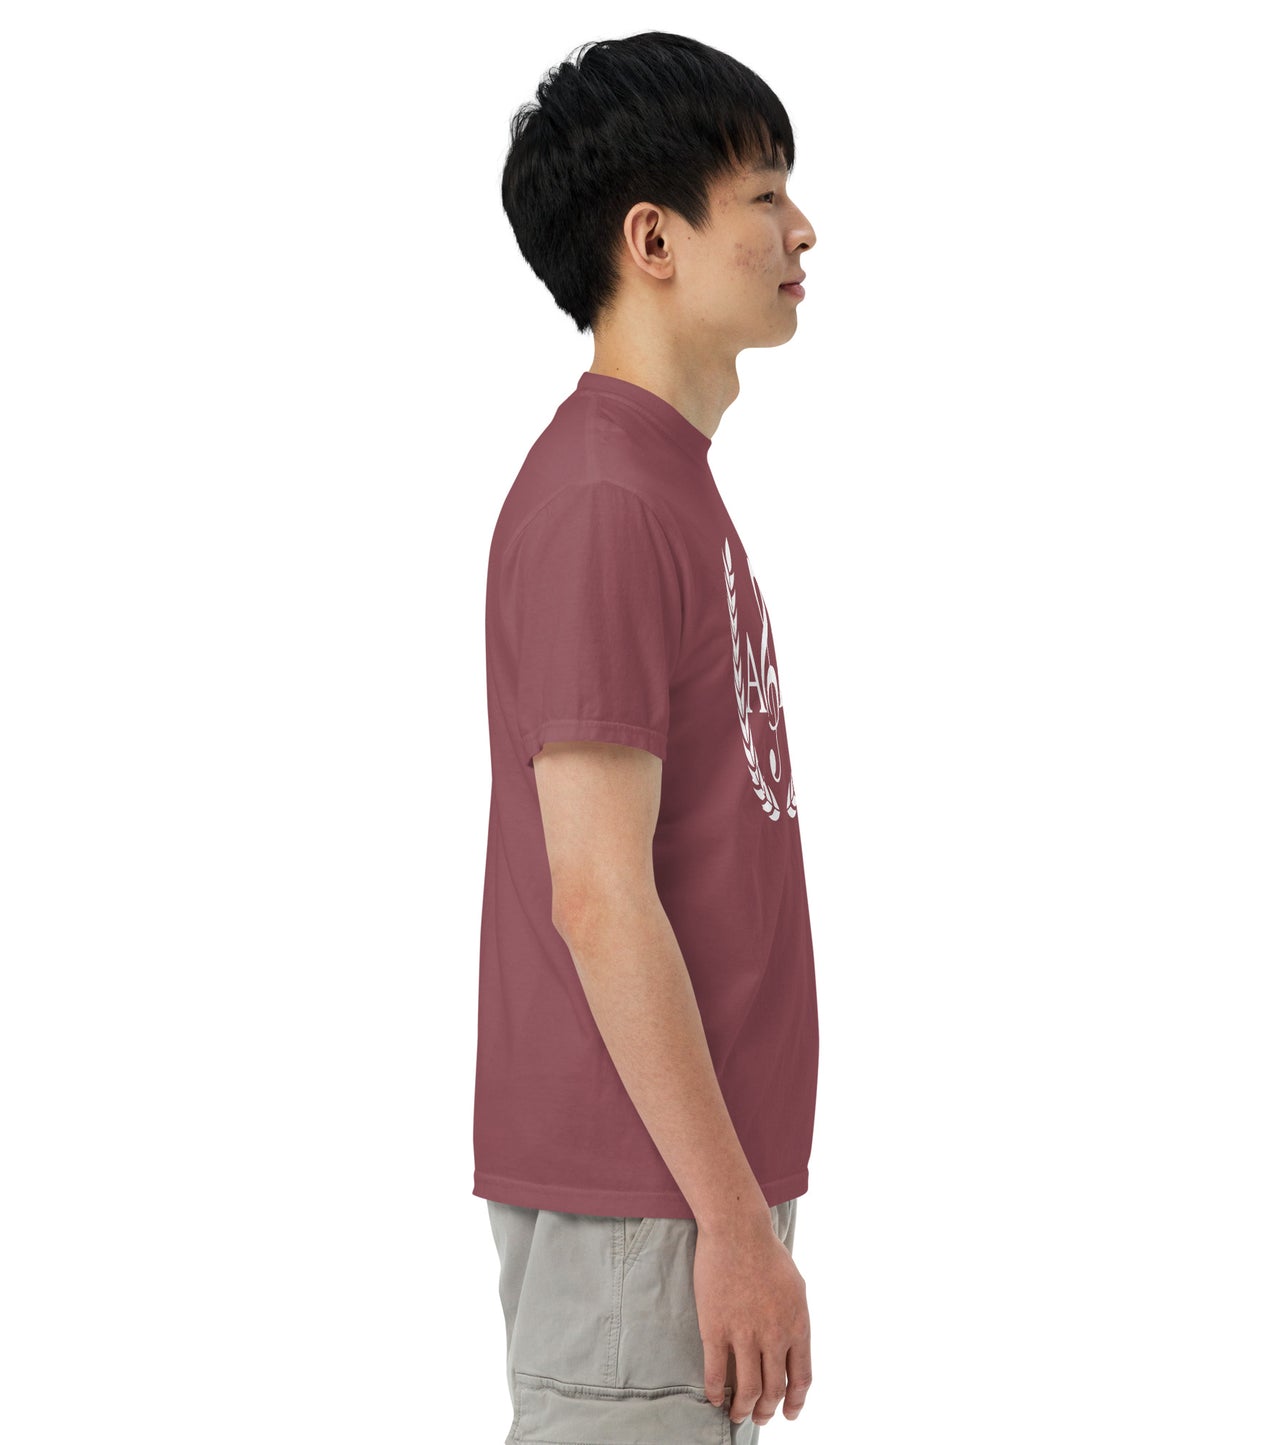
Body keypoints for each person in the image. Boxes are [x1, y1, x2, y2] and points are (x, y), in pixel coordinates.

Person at [477, 31, 820, 1443]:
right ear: (653, 240)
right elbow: (599, 894)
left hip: (677, 1193)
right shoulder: (606, 501)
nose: (802, 231)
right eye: (764, 194)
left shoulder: (662, 483)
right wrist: (728, 1225)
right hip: (644, 1215)